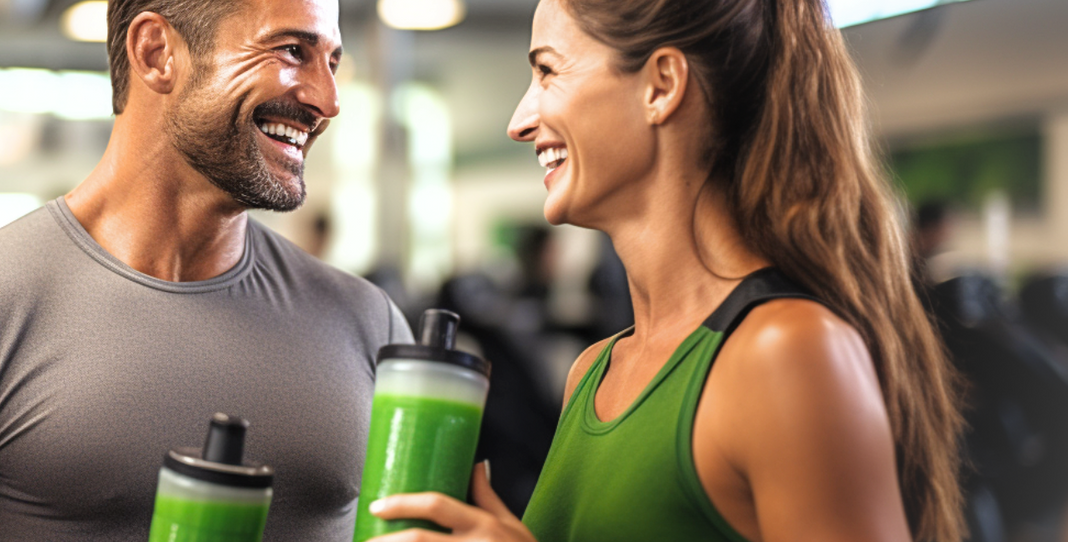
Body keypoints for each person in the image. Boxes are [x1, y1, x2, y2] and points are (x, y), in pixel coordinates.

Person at [0, 0, 412, 539]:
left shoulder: (367, 323)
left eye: (332, 62)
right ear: (157, 52)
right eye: (291, 51)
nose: (327, 100)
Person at [363, 0, 966, 541]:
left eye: (547, 70)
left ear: (662, 85)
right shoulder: (593, 373)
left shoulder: (786, 354)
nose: (519, 120)